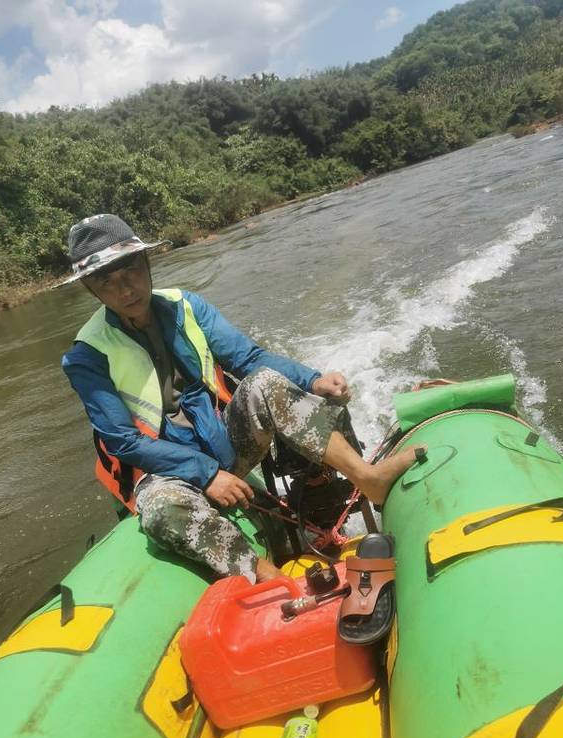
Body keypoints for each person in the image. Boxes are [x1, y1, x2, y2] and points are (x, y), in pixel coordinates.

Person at [61, 214, 424, 584]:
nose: (125, 291)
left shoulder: (185, 306)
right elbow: (124, 442)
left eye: (131, 272)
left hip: (222, 442)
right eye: (107, 283)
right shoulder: (86, 356)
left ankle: (368, 479)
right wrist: (205, 475)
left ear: (147, 263)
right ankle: (270, 577)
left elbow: (248, 359)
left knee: (265, 381)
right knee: (159, 512)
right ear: (92, 290)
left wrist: (314, 381)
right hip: (164, 474)